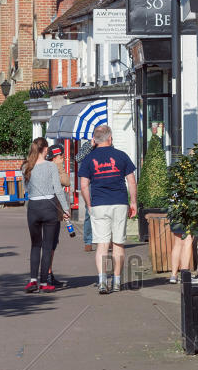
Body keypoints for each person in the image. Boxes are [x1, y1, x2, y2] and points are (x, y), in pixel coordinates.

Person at [77, 123, 137, 294]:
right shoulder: (121, 155)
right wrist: (133, 202)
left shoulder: (89, 159)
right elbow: (131, 181)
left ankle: (103, 281)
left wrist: (89, 204)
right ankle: (117, 281)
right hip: (119, 202)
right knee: (118, 243)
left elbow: (84, 185)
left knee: (102, 245)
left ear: (94, 140)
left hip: (99, 204)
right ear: (110, 138)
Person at [21, 137, 71, 292]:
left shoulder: (26, 167)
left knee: (35, 245)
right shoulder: (51, 167)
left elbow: (26, 189)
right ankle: (44, 283)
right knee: (48, 247)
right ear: (44, 150)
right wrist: (65, 209)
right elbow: (58, 189)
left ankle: (32, 280)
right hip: (49, 207)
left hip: (33, 207)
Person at [168, 218, 195, 283]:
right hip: (186, 212)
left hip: (175, 211)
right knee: (188, 240)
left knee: (177, 243)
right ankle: (184, 276)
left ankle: (173, 276)